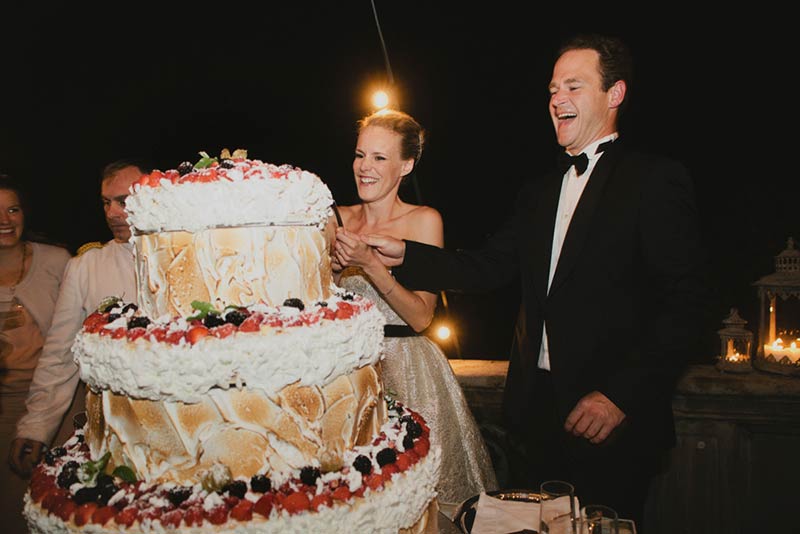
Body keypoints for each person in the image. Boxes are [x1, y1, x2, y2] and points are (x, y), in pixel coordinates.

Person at [336, 35, 707, 530]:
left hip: (612, 419)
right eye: (553, 89)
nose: (557, 99)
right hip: (536, 414)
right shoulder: (539, 192)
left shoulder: (654, 179)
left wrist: (620, 395)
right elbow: (485, 267)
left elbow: (686, 305)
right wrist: (405, 255)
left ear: (614, 94)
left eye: (573, 86)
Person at [333, 109, 498, 508]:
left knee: (419, 503)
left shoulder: (424, 221)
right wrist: (330, 273)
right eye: (360, 155)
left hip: (411, 372)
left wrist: (370, 264)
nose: (364, 167)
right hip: (349, 374)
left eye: (379, 158)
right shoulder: (334, 219)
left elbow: (422, 316)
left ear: (405, 165)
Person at [8, 159, 146, 487]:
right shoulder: (86, 267)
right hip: (114, 431)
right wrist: (35, 426)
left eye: (124, 202)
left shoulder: (191, 259)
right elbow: (60, 355)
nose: (112, 213)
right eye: (106, 202)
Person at [0, 173, 71, 533]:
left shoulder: (57, 261)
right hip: (5, 404)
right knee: (13, 512)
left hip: (57, 399)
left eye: (12, 209)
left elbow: (77, 333)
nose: (4, 221)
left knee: (61, 505)